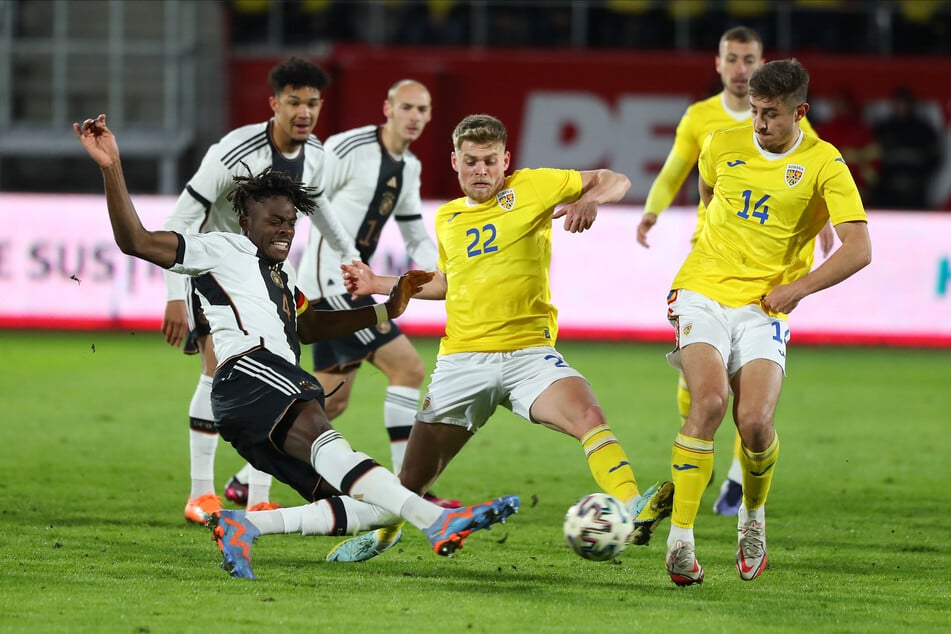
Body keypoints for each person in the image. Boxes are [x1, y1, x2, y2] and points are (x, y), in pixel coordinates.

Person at [74, 114, 519, 580]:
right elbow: (136, 240)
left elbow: (309, 327)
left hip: (255, 406)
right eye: (273, 221)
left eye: (290, 222)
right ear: (246, 220)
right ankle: (438, 521)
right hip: (250, 373)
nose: (285, 230)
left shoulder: (282, 281)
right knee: (341, 453)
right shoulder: (222, 248)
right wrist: (111, 167)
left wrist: (389, 308)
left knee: (367, 503)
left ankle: (244, 524)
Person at [325, 114, 674, 563]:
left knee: (587, 413)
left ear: (505, 160)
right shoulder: (449, 218)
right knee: (411, 482)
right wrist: (376, 283)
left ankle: (631, 506)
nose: (481, 171)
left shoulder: (534, 186)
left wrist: (590, 199)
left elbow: (617, 179)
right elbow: (449, 281)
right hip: (462, 363)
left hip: (529, 353)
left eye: (490, 161)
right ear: (455, 162)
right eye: (471, 162)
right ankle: (382, 536)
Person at [662, 60, 871, 586]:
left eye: (771, 115)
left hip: (766, 306)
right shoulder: (721, 143)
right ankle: (680, 541)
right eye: (755, 112)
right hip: (703, 291)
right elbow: (709, 193)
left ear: (800, 111)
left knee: (754, 424)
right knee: (708, 402)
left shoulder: (825, 164)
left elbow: (860, 249)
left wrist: (798, 288)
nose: (759, 124)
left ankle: (752, 518)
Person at [637, 25, 832, 518]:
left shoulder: (793, 127)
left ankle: (731, 483)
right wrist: (654, 211)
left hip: (761, 278)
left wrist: (824, 223)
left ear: (761, 62)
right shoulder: (703, 120)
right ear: (718, 64)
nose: (742, 68)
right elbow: (679, 170)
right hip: (710, 262)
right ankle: (701, 473)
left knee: (748, 407)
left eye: (750, 59)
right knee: (700, 392)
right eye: (733, 59)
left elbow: (812, 183)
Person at [160, 56, 361, 524]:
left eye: (312, 102)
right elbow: (180, 221)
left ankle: (257, 499)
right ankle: (201, 493)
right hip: (217, 273)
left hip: (271, 279)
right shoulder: (234, 151)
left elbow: (322, 210)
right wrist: (173, 294)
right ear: (274, 103)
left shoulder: (320, 157)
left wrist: (352, 259)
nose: (304, 112)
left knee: (280, 373)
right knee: (216, 370)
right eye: (294, 101)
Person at [296, 79, 459, 509]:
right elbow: (307, 196)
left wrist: (438, 268)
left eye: (423, 110)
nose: (415, 117)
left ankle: (246, 477)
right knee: (407, 367)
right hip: (330, 286)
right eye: (407, 107)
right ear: (387, 108)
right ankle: (409, 488)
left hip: (354, 285)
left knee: (331, 400)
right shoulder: (349, 147)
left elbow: (412, 229)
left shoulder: (409, 167)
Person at [872, 87, 942, 210]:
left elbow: (934, 159)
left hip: (915, 192)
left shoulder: (923, 131)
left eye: (904, 102)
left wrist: (920, 176)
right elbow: (874, 159)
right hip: (887, 193)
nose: (901, 106)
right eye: (898, 102)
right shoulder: (882, 130)